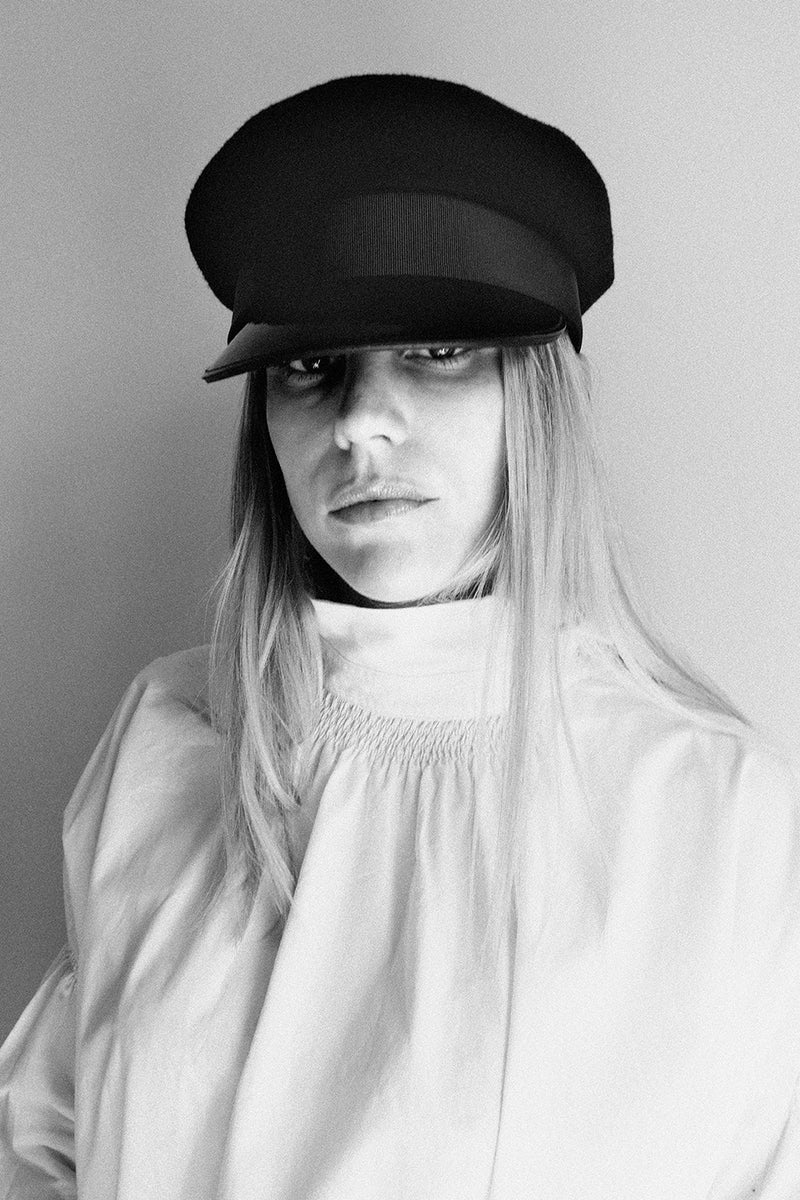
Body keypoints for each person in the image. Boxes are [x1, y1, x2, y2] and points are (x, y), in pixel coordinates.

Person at [1, 72, 798, 1200]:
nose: (361, 423)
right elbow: (42, 1145)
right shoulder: (167, 742)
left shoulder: (719, 817)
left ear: (536, 397)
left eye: (435, 352)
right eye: (308, 366)